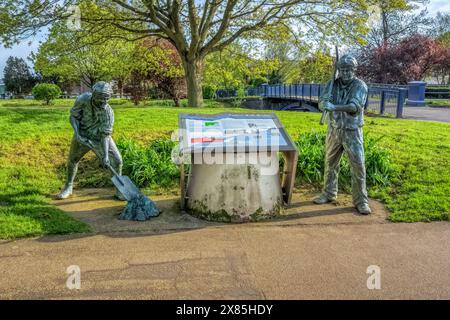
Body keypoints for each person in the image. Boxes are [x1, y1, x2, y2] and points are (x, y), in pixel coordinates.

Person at [313, 54, 371, 215]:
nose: (345, 73)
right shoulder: (332, 84)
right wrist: (324, 103)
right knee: (330, 163)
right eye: (342, 70)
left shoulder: (360, 86)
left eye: (349, 70)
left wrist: (334, 107)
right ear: (338, 70)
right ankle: (329, 193)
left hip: (352, 131)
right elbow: (322, 102)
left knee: (358, 165)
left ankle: (361, 201)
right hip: (334, 129)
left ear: (354, 70)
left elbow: (354, 107)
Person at [57, 81, 124, 200]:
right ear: (94, 95)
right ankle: (68, 186)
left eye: (106, 99)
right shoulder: (82, 99)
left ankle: (119, 190)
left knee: (117, 161)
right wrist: (77, 134)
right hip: (82, 135)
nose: (104, 102)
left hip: (100, 138)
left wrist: (105, 157)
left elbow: (105, 135)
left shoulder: (108, 113)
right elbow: (73, 117)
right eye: (101, 99)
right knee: (73, 160)